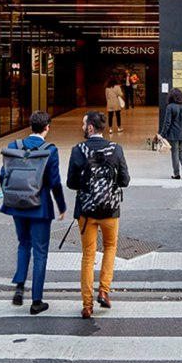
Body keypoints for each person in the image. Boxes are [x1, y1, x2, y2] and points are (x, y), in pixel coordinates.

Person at [0, 110, 65, 315]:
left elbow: (3, 175)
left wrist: (11, 195)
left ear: (31, 126)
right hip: (40, 207)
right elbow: (54, 182)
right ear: (47, 127)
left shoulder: (14, 146)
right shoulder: (50, 150)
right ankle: (36, 301)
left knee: (23, 244)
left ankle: (20, 285)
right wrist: (61, 205)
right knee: (40, 252)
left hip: (17, 205)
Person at [66, 110, 130, 319]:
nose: (82, 127)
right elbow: (125, 180)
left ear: (90, 128)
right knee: (110, 247)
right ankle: (104, 290)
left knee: (88, 255)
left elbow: (71, 183)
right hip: (110, 209)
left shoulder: (78, 150)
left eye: (84, 124)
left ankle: (87, 305)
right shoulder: (116, 149)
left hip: (86, 211)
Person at [159, 88, 182, 179]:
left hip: (173, 134)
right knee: (181, 150)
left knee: (174, 152)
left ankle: (176, 174)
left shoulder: (170, 107)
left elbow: (167, 123)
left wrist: (162, 134)